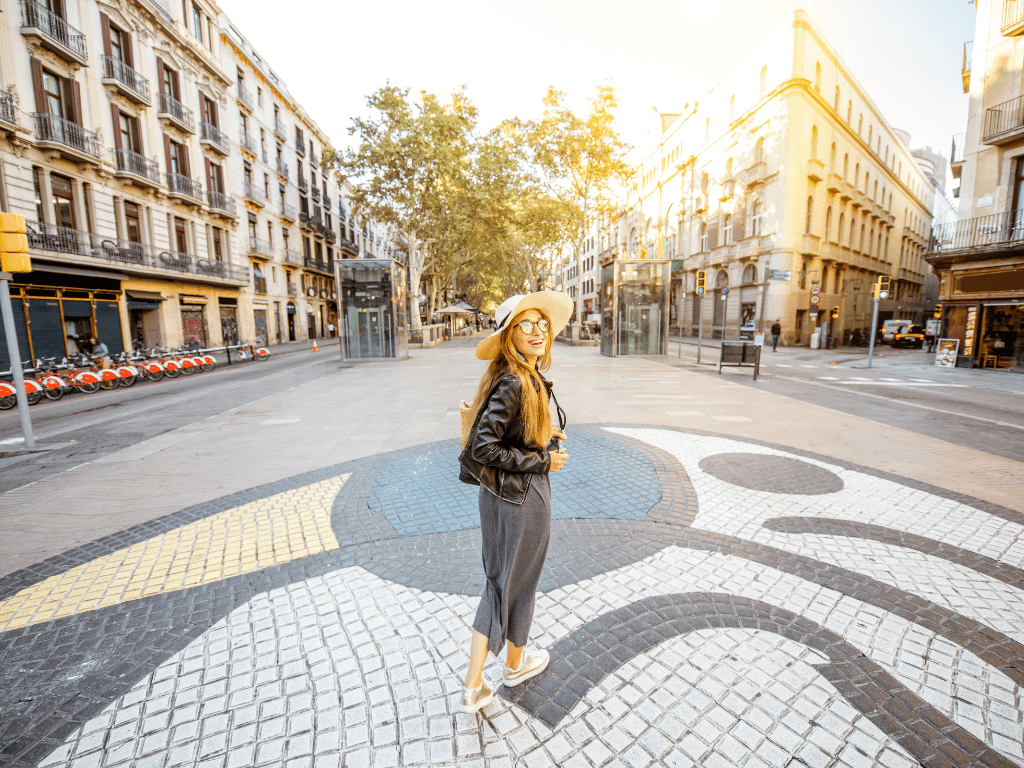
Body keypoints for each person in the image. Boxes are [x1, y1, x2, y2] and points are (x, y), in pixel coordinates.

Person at [458, 291, 573, 715]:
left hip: (500, 496)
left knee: (505, 580)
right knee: (510, 583)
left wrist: (542, 435)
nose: (538, 331)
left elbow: (505, 434)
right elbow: (482, 448)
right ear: (509, 334)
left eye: (542, 323)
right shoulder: (515, 380)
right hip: (523, 496)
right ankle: (475, 683)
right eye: (526, 324)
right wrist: (543, 459)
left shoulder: (512, 374)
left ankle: (513, 664)